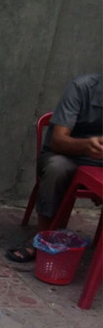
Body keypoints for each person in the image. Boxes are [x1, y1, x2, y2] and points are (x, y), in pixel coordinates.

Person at [6, 73, 102, 263]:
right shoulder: (81, 88)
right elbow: (58, 141)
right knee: (57, 167)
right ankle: (42, 237)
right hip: (66, 155)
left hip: (99, 164)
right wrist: (86, 145)